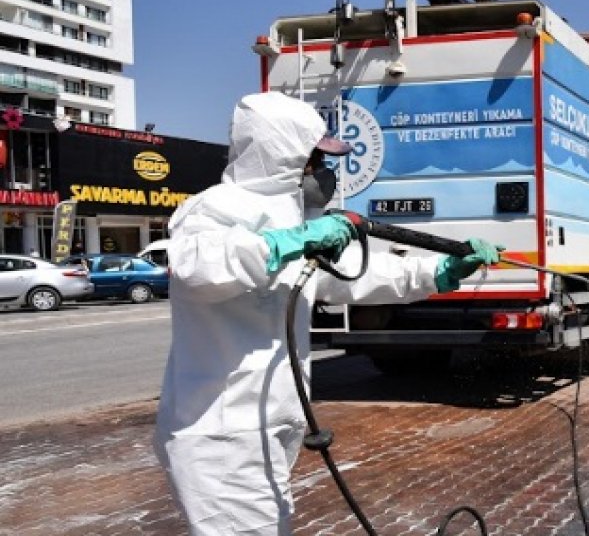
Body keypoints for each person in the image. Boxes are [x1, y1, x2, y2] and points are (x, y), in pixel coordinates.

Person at [152, 92, 501, 535]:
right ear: (283, 155)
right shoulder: (216, 208)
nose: (324, 172)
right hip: (222, 431)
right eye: (316, 159)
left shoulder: (295, 216)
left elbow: (353, 276)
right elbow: (198, 269)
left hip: (272, 424)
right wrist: (287, 242)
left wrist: (440, 271)